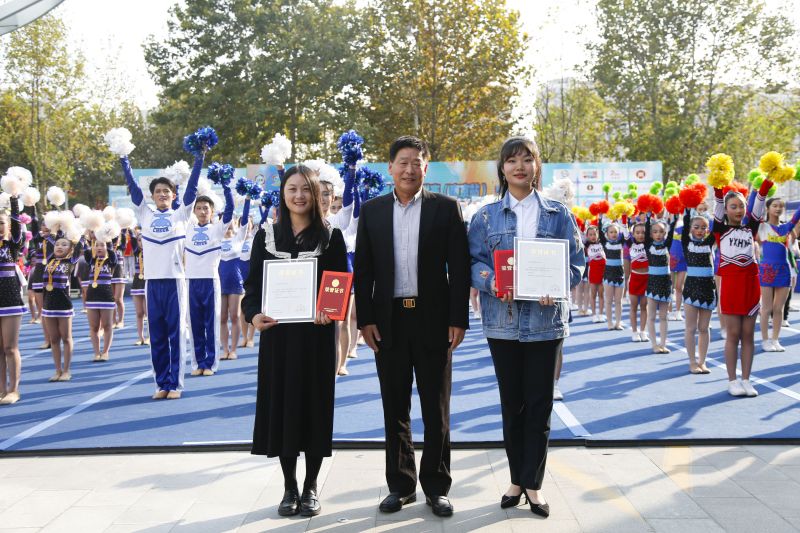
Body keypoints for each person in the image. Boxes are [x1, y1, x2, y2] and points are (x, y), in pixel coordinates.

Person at [468, 136, 584, 518]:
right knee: (512, 405)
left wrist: (557, 284)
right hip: (502, 323)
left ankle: (532, 484)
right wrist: (491, 282)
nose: (520, 167)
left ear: (537, 167)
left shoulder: (558, 214)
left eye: (527, 159)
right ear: (502, 169)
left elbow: (576, 263)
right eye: (512, 160)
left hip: (546, 323)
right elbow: (474, 263)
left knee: (539, 404)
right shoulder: (486, 217)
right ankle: (515, 480)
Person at [354, 135, 470, 518]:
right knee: (395, 407)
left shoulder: (446, 209)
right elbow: (364, 271)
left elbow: (460, 268)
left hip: (433, 321)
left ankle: (437, 486)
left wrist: (458, 319)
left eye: (416, 162)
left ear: (426, 167)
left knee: (437, 409)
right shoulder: (372, 211)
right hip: (388, 322)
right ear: (390, 167)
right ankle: (400, 485)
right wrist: (365, 319)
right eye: (402, 162)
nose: (408, 169)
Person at [242, 165, 347, 518]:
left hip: (316, 338)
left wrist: (329, 309)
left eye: (306, 189)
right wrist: (253, 315)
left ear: (316, 195)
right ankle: (289, 486)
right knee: (283, 408)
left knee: (315, 406)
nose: (299, 195)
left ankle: (311, 486)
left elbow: (339, 282)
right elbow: (252, 287)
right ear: (283, 193)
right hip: (279, 338)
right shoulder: (266, 236)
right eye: (292, 189)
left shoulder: (331, 236)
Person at [120, 144, 203, 400]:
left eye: (166, 191)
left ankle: (175, 385)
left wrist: (199, 158)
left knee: (176, 335)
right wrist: (124, 158)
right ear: (152, 196)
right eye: (158, 191)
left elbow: (192, 190)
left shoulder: (181, 214)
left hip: (175, 282)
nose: (162, 194)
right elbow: (133, 187)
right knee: (156, 335)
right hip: (152, 283)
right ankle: (161, 383)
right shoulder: (144, 213)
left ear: (173, 194)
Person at [713, 178, 772, 397]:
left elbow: (759, 205)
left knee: (748, 334)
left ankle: (746, 379)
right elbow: (718, 203)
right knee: (733, 334)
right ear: (726, 210)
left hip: (750, 285)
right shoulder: (720, 229)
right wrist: (718, 185)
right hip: (731, 285)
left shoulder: (750, 228)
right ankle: (732, 380)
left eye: (741, 206)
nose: (738, 210)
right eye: (733, 206)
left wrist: (766, 183)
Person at [185, 187, 234, 376]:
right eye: (199, 208)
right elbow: (180, 206)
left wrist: (226, 186)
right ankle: (198, 363)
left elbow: (229, 209)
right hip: (191, 282)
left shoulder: (217, 229)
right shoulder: (187, 228)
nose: (202, 211)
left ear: (212, 211)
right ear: (194, 211)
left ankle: (210, 363)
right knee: (195, 325)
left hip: (211, 282)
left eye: (206, 208)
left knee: (211, 324)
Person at [757, 197, 800, 352]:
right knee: (766, 308)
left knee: (779, 309)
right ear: (768, 208)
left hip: (784, 271)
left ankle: (775, 340)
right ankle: (765, 340)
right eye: (774, 205)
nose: (778, 208)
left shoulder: (786, 227)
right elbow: (753, 210)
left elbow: (797, 215)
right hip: (767, 270)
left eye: (781, 206)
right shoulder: (762, 226)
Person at [42, 233, 83, 382]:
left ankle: (66, 370)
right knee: (53, 339)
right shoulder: (49, 260)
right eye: (57, 244)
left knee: (66, 338)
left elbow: (79, 245)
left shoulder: (70, 261)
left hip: (64, 304)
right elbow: (48, 240)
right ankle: (57, 370)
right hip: (48, 305)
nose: (59, 246)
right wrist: (54, 229)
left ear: (70, 250)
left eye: (64, 245)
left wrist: (76, 233)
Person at [680, 212, 716, 374]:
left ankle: (702, 361)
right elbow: (686, 223)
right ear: (690, 229)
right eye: (696, 227)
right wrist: (687, 209)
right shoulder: (686, 242)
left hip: (708, 288)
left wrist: (720, 206)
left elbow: (719, 225)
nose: (700, 230)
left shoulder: (709, 243)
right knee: (691, 327)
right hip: (691, 288)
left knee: (704, 327)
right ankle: (692, 362)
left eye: (703, 228)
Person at [0, 195, 26, 405]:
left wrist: (14, 199)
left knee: (10, 347)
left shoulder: (12, 245)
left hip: (10, 299)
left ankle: (13, 390)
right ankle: (1, 389)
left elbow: (17, 226)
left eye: (1, 223)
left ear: (8, 226)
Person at [645, 213, 678, 353]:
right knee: (651, 316)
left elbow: (671, 232)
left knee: (664, 317)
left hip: (665, 283)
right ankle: (654, 344)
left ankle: (663, 344)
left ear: (665, 233)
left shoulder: (666, 246)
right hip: (652, 283)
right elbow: (647, 230)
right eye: (655, 232)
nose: (658, 234)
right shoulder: (648, 246)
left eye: (661, 232)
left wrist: (675, 218)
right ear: (651, 234)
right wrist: (648, 217)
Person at [84, 238, 118, 362]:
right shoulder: (91, 260)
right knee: (94, 327)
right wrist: (85, 236)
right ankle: (96, 352)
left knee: (107, 325)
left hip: (106, 296)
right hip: (92, 296)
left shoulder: (111, 261)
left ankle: (105, 352)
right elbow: (86, 251)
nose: (99, 247)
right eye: (96, 245)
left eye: (102, 245)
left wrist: (106, 237)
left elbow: (112, 253)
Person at [626, 221, 649, 342]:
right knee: (634, 306)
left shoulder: (649, 245)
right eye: (637, 232)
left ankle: (643, 331)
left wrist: (649, 217)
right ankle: (634, 332)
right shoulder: (630, 244)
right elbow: (624, 231)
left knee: (644, 307)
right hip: (635, 278)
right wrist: (624, 216)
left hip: (647, 279)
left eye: (643, 232)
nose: (640, 235)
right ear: (633, 234)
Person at [129, 229, 148, 345]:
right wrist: (129, 228)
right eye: (140, 240)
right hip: (137, 282)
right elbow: (132, 239)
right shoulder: (136, 252)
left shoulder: (151, 251)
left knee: (148, 312)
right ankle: (140, 337)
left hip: (147, 281)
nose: (142, 242)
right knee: (139, 313)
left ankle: (150, 336)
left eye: (144, 240)